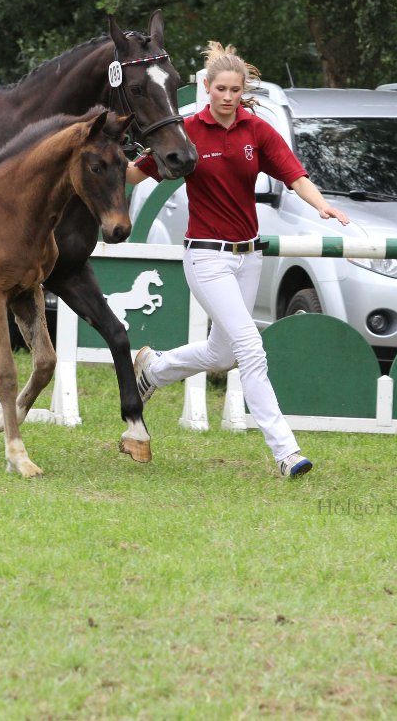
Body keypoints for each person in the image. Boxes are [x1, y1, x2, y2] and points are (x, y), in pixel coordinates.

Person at [126, 41, 350, 478]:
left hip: (249, 258)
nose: (228, 97)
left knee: (222, 352)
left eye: (235, 89)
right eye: (221, 89)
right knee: (251, 347)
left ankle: (154, 368)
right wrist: (105, 159)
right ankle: (286, 452)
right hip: (206, 258)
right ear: (206, 87)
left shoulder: (257, 130)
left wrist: (322, 205)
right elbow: (136, 173)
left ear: (243, 90)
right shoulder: (185, 129)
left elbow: (294, 174)